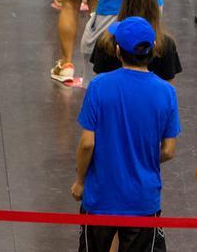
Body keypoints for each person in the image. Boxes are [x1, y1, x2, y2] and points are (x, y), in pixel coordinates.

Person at [72, 16, 180, 252]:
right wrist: (142, 156)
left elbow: (87, 144)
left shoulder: (99, 86)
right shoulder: (166, 92)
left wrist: (80, 181)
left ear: (119, 50)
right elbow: (169, 151)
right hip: (143, 199)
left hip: (101, 197)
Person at [91, 0, 183, 81]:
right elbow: (167, 87)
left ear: (123, 4)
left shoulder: (105, 41)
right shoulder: (165, 44)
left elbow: (99, 81)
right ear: (154, 5)